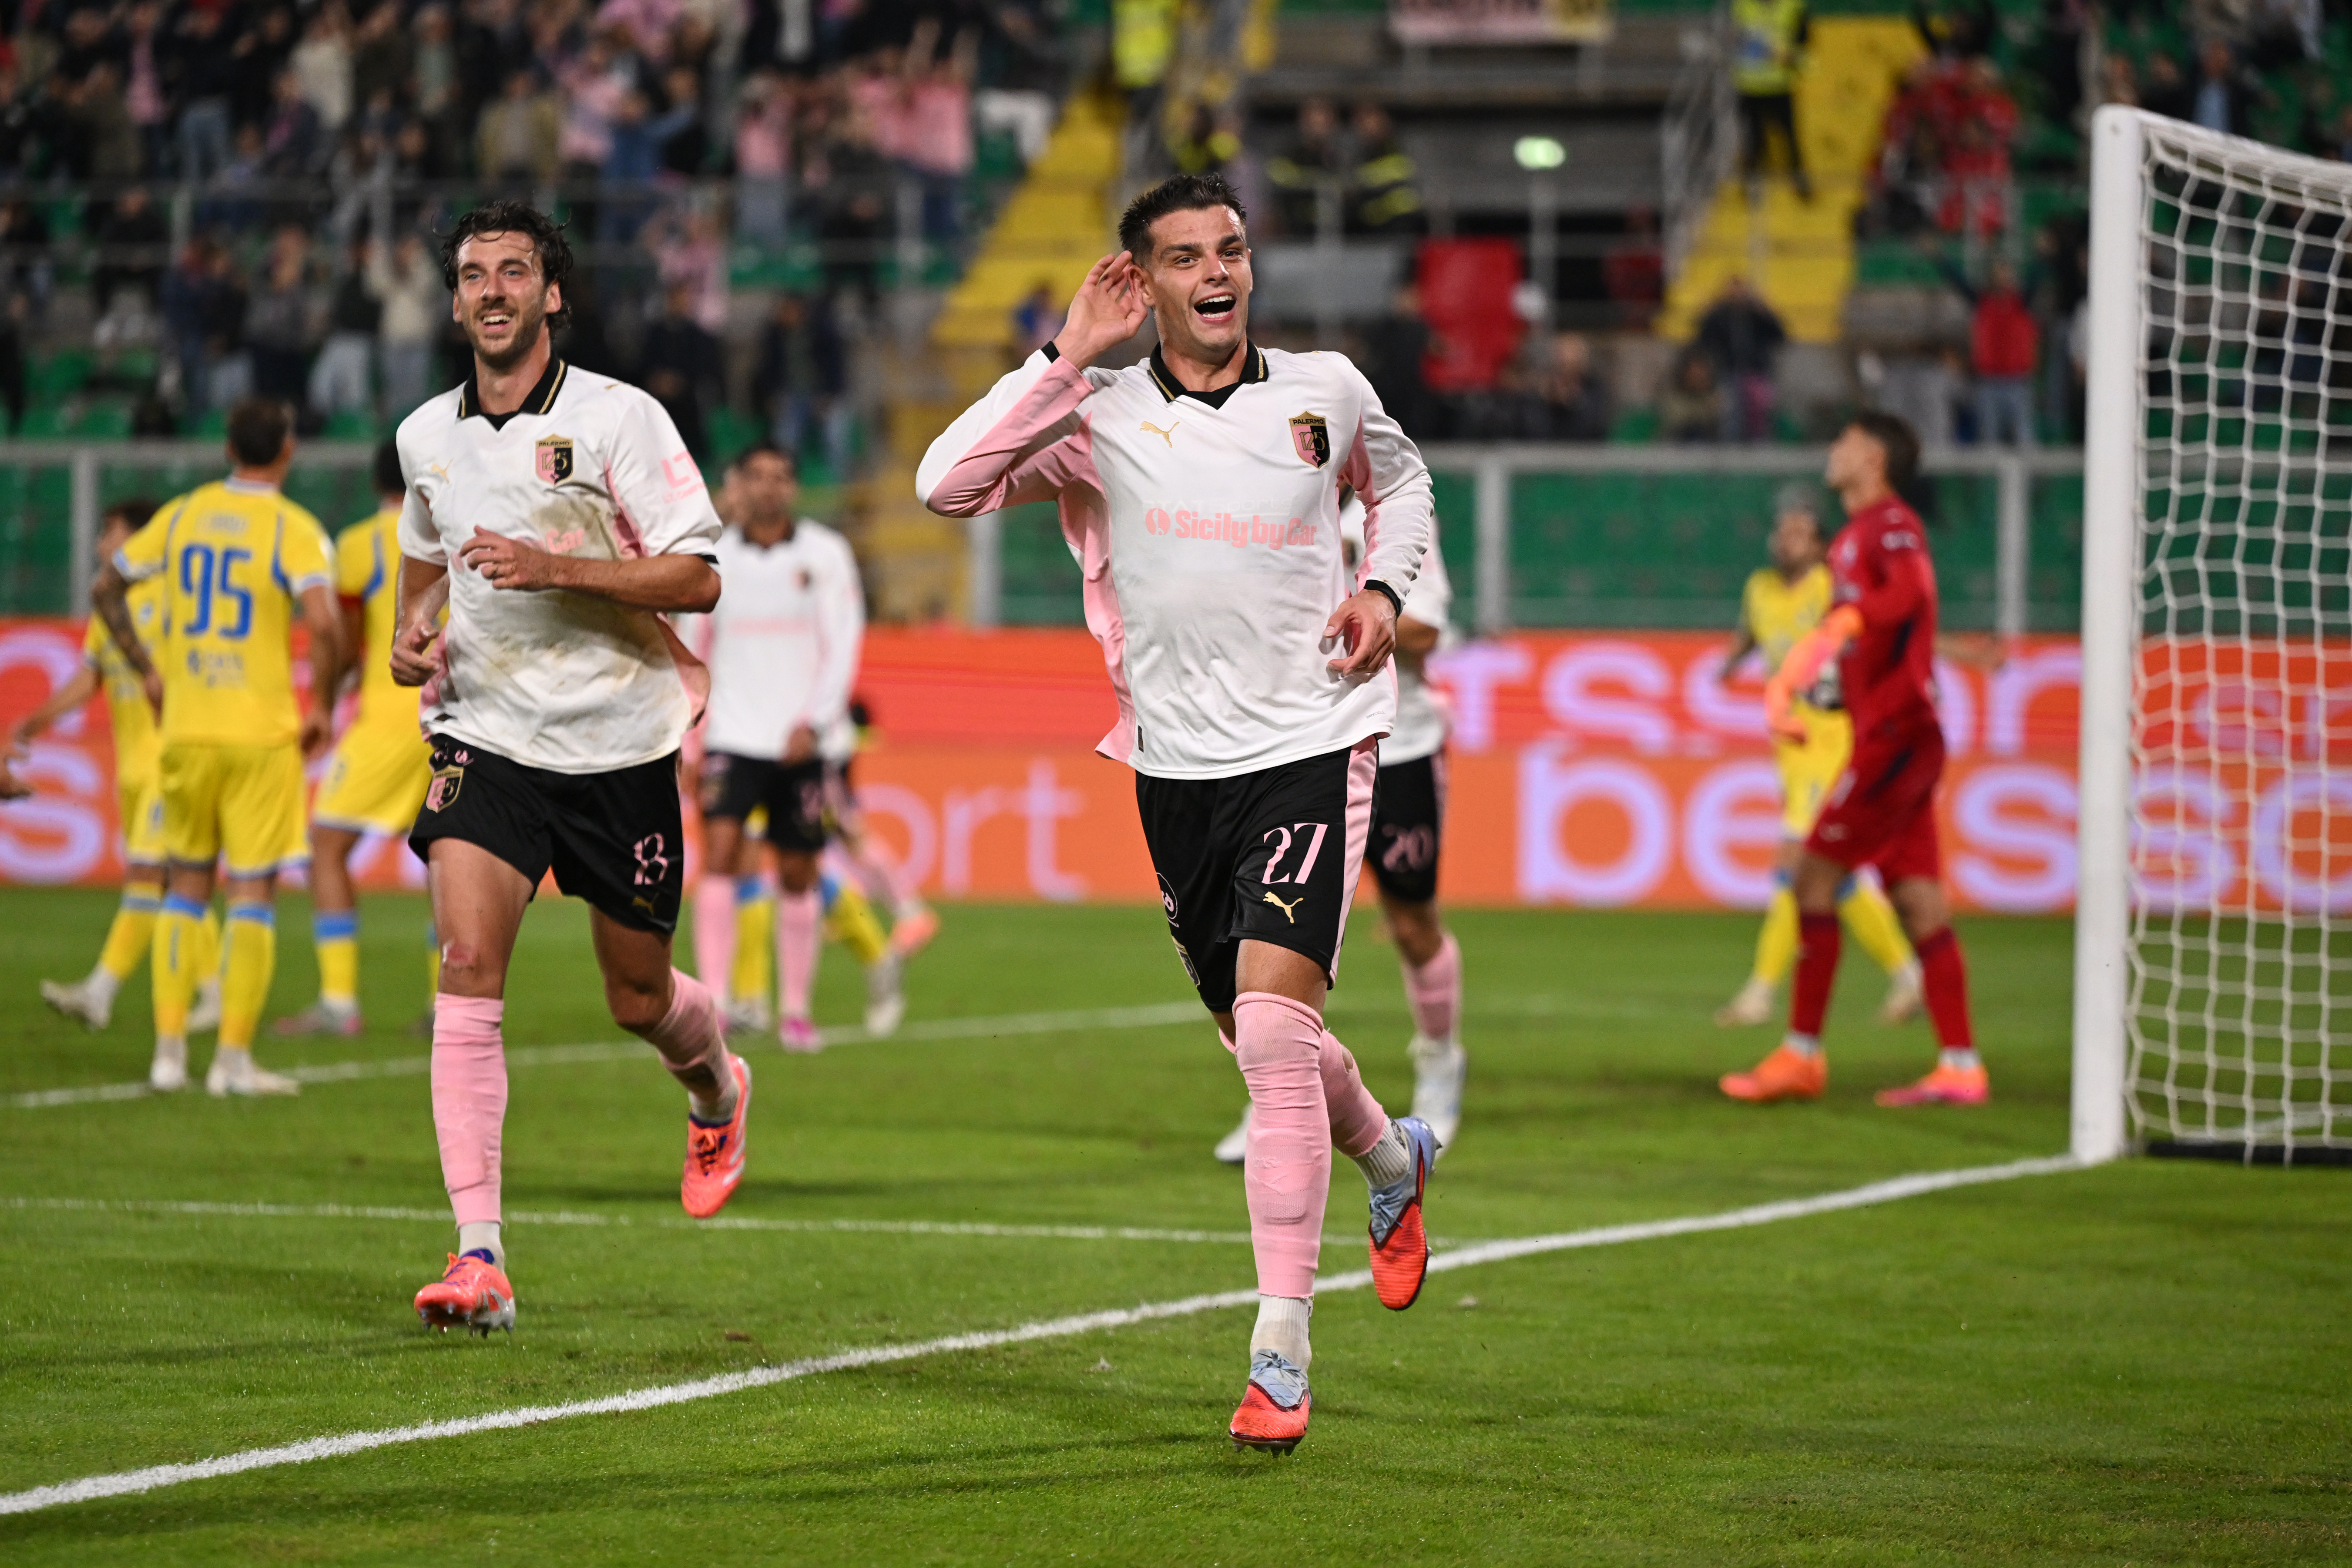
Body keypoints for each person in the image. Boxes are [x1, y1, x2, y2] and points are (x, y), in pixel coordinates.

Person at [919, 172, 1440, 1454]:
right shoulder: (1092, 413)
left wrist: (1381, 590)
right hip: (1173, 767)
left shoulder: (1324, 390)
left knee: (1271, 1030)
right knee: (1257, 1037)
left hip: (1313, 740)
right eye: (1187, 257)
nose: (1217, 273)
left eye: (1231, 250)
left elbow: (1405, 484)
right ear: (1142, 281)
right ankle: (1391, 1158)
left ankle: (1280, 1348)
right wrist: (1061, 357)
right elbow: (945, 486)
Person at [390, 201, 738, 1337]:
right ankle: (479, 1251)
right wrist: (408, 635)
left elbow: (696, 577)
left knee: (638, 996)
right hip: (483, 735)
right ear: (455, 302)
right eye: (472, 274)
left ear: (551, 295)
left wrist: (555, 567)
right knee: (463, 962)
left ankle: (716, 1085)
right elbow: (423, 561)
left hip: (617, 743)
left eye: (512, 272)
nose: (490, 290)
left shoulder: (617, 417)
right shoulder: (423, 437)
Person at [1719, 413, 1987, 1108]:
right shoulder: (1849, 538)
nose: (1832, 450)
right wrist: (1835, 679)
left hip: (1897, 737)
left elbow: (1911, 592)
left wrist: (1847, 621)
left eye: (1844, 441)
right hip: (1889, 732)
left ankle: (1801, 1054)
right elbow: (1875, 632)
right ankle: (1960, 1065)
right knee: (1918, 901)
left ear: (1872, 456)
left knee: (1812, 877)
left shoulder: (1889, 523)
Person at [91, 398, 341, 1097]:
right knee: (252, 891)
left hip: (186, 728)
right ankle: (231, 1060)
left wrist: (147, 669)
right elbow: (325, 624)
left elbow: (107, 587)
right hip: (259, 735)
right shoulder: (293, 528)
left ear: (229, 448)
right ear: (287, 450)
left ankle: (168, 1056)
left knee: (185, 888)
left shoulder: (183, 514)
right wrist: (322, 702)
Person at [1214, 493, 1467, 1163]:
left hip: (1398, 744)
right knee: (1279, 929)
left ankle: (1439, 1061)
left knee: (1412, 922)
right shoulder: (1264, 504)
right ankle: (1276, 1092)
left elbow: (1426, 630)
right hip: (1298, 751)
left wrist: (1345, 610)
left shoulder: (1389, 516)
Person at [685, 441, 899, 1048]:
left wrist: (817, 721)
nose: (768, 486)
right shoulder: (713, 558)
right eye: (756, 475)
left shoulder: (825, 554)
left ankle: (796, 1011)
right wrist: (690, 738)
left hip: (802, 741)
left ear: (793, 487)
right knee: (720, 856)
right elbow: (694, 648)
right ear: (738, 483)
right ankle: (715, 1003)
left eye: (780, 476)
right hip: (731, 733)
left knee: (799, 871)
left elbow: (843, 642)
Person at [1712, 485, 1921, 1030]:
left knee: (1793, 865)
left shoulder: (1832, 587)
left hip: (1831, 739)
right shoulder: (1758, 588)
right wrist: (1729, 664)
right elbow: (1751, 635)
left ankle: (1760, 992)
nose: (1788, 541)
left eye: (1800, 533)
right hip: (1791, 746)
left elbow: (1881, 629)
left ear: (1818, 543)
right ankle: (1907, 972)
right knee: (1835, 876)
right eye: (1782, 531)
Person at [26, 499, 223, 1036]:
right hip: (132, 771)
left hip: (170, 764)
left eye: (110, 532)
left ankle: (100, 992)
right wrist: (31, 724)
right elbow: (89, 677)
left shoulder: (179, 597)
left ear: (141, 538)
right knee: (177, 883)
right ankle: (215, 991)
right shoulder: (110, 607)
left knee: (147, 878)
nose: (101, 543)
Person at [278, 441, 434, 1038]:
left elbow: (344, 644)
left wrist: (324, 698)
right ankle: (448, 1006)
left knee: (326, 845)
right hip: (458, 719)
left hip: (391, 719)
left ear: (376, 482)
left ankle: (339, 1003)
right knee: (447, 860)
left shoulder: (360, 542)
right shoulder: (459, 529)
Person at [1733, 0, 1812, 202]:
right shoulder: (1742, 6)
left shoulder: (1792, 6)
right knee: (1754, 140)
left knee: (1789, 137)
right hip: (1750, 84)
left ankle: (1800, 182)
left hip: (1779, 83)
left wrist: (1789, 57)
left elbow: (1805, 40)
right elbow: (1731, 38)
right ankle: (1752, 187)